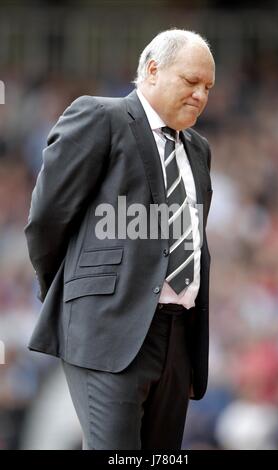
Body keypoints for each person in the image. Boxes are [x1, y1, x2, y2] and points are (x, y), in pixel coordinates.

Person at [25, 29, 215, 450]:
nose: (201, 95)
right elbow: (47, 219)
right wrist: (79, 297)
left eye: (208, 87)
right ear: (152, 70)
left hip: (178, 336)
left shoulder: (199, 149)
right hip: (107, 327)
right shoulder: (100, 116)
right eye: (191, 81)